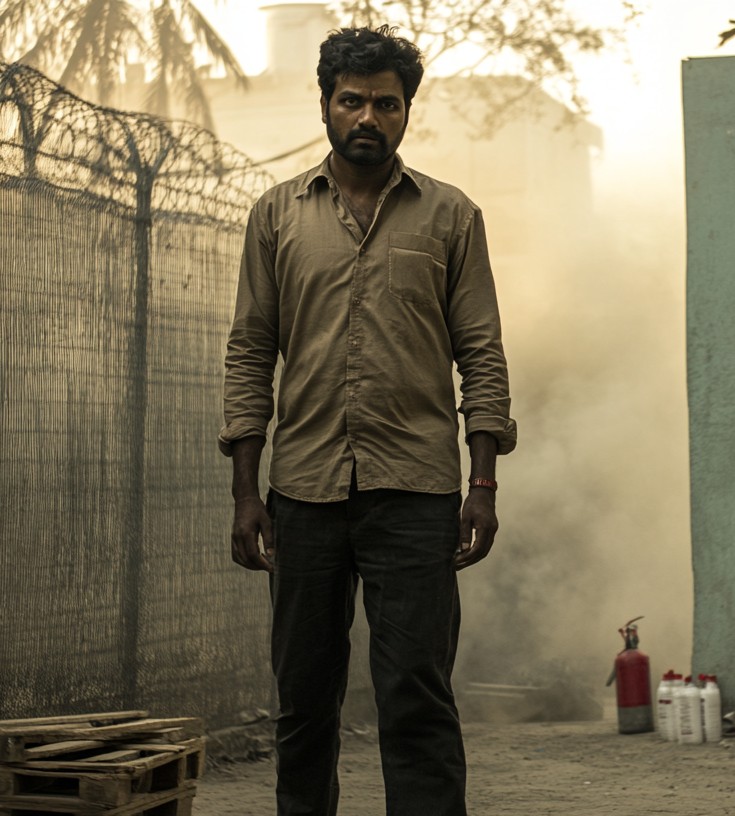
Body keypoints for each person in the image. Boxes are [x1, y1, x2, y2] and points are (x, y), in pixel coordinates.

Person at [218, 25, 516, 816]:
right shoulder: (276, 217)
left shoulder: (451, 217)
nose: (368, 117)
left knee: (416, 701)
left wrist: (481, 484)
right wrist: (247, 493)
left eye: (387, 103)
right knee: (303, 705)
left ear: (406, 113)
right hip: (304, 494)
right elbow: (250, 354)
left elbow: (481, 356)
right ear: (325, 105)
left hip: (416, 493)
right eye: (352, 100)